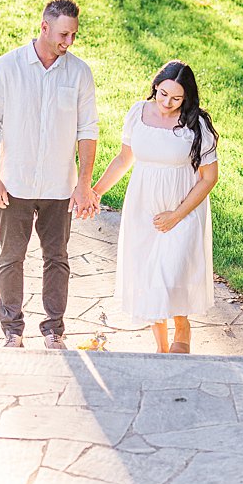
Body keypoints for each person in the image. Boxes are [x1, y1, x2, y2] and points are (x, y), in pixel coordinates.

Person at [0, 0, 100, 349]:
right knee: (11, 258)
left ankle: (53, 329)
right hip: (13, 183)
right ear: (44, 27)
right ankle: (12, 329)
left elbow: (87, 131)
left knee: (57, 258)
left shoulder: (79, 73)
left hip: (59, 186)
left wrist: (83, 184)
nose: (69, 43)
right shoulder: (6, 67)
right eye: (64, 34)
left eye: (74, 35)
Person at [93, 60, 220, 353]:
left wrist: (176, 215)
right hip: (143, 209)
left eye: (176, 98)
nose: (167, 103)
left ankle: (183, 327)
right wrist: (96, 191)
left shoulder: (196, 125)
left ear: (187, 97)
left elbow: (209, 178)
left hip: (182, 211)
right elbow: (125, 159)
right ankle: (162, 350)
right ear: (155, 87)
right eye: (163, 94)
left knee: (170, 273)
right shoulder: (138, 114)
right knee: (148, 278)